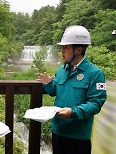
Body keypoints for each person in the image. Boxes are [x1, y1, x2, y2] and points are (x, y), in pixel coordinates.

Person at [37, 25, 107, 154]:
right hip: (58, 131)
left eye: (66, 47)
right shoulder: (62, 70)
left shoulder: (95, 73)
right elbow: (54, 91)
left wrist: (73, 112)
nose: (62, 51)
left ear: (79, 50)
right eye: (62, 47)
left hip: (78, 136)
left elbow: (96, 103)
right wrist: (47, 84)